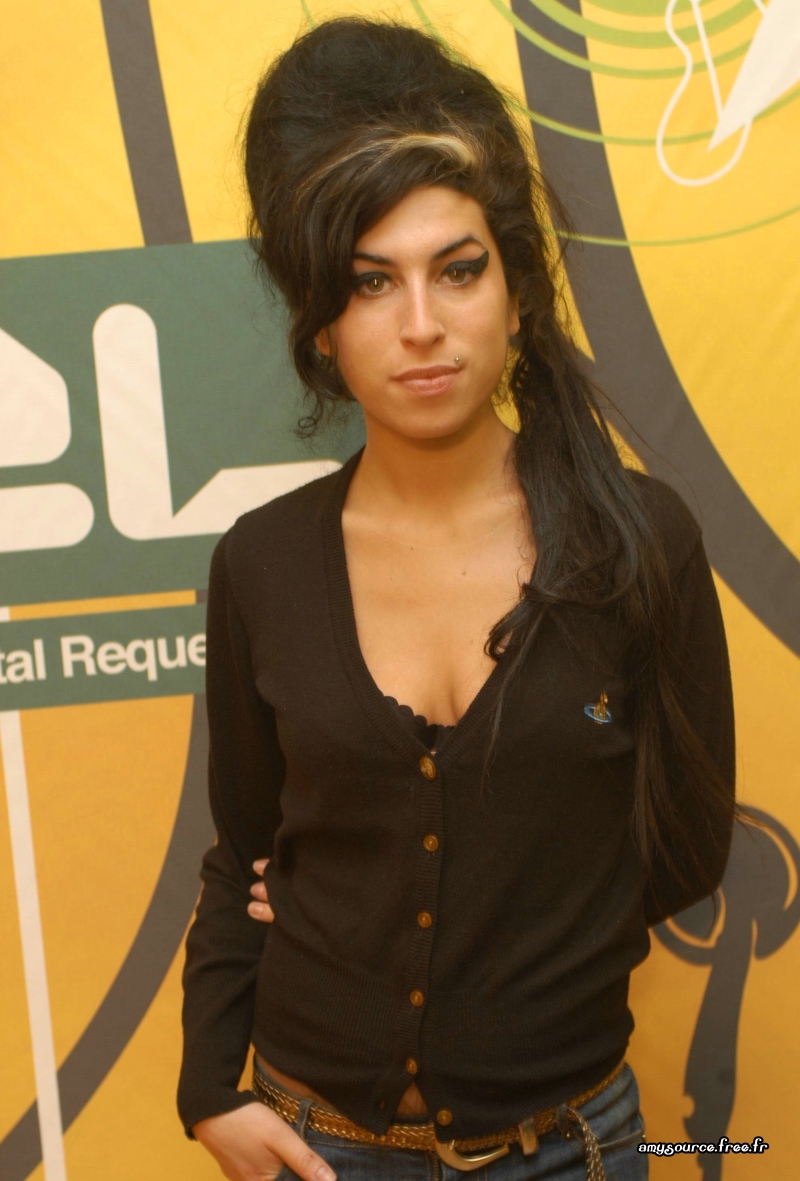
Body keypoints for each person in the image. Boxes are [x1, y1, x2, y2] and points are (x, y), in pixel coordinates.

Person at [177, 17, 737, 1181]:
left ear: (517, 294)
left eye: (458, 268)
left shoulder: (638, 542)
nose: (420, 324)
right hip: (316, 1143)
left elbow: (683, 843)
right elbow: (245, 852)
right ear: (322, 328)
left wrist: (517, 944)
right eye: (369, 282)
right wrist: (208, 1087)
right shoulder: (260, 564)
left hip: (571, 1145)